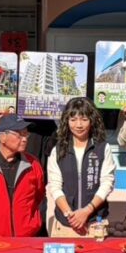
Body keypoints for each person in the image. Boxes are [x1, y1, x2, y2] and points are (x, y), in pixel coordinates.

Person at [46, 98, 116, 237]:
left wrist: (87, 211)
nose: (78, 125)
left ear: (92, 120)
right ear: (66, 121)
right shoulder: (58, 150)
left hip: (95, 224)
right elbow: (55, 186)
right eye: (73, 120)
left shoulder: (102, 148)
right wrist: (71, 216)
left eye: (84, 119)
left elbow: (107, 183)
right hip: (65, 224)